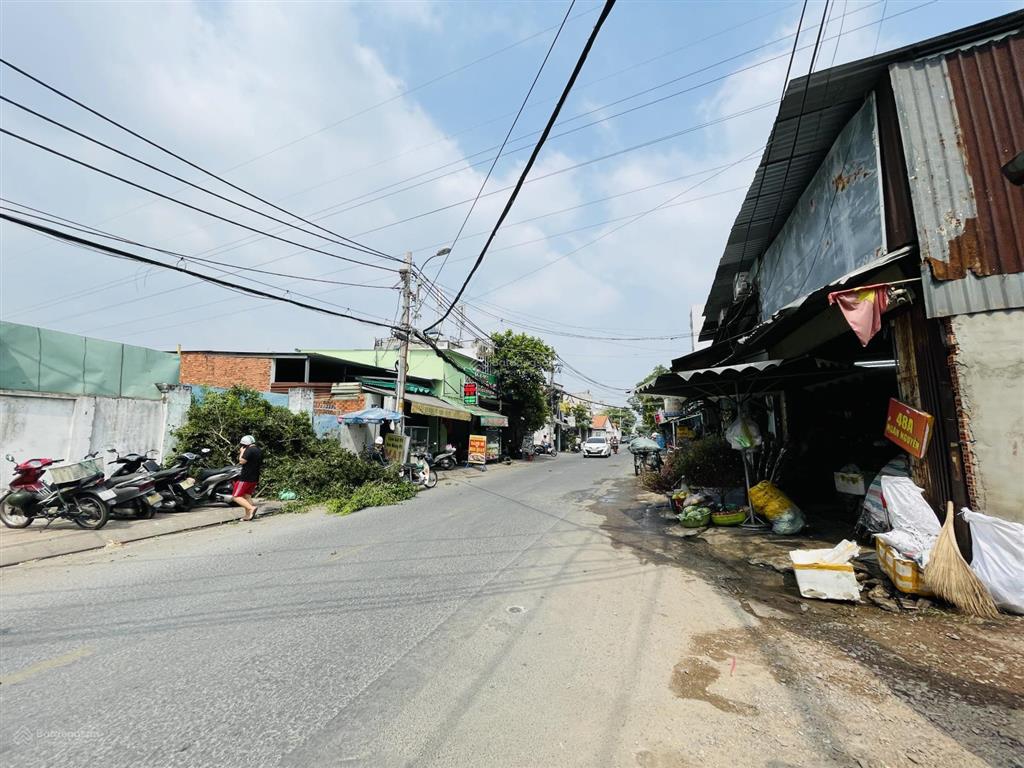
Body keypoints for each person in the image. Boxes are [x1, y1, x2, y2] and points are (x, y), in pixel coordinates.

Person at [232, 435, 262, 521]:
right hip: (255, 477)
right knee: (247, 496)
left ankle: (251, 508)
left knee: (236, 496)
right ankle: (248, 515)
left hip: (246, 477)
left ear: (244, 444)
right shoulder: (258, 450)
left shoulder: (249, 450)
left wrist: (242, 452)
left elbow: (242, 461)